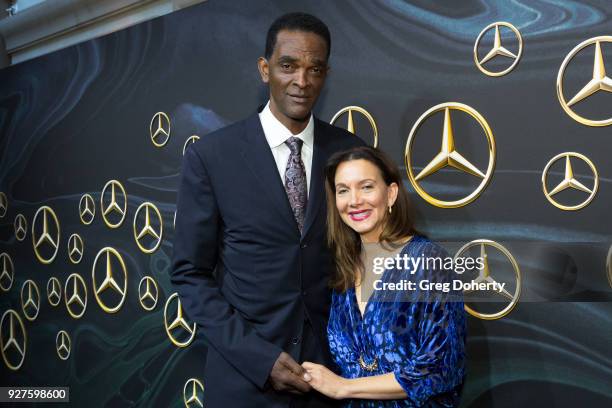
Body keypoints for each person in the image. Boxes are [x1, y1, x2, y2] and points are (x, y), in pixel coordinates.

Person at [171, 12, 364, 408]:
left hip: (331, 383)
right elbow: (190, 273)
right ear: (265, 69)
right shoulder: (212, 156)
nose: (302, 81)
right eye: (288, 66)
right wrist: (259, 358)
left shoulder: (349, 153)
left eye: (314, 69)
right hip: (245, 383)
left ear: (326, 74)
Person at [302, 146, 466, 407]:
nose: (354, 200)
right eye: (343, 190)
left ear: (390, 194)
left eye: (366, 187)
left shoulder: (426, 261)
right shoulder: (344, 268)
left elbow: (441, 367)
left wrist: (344, 387)